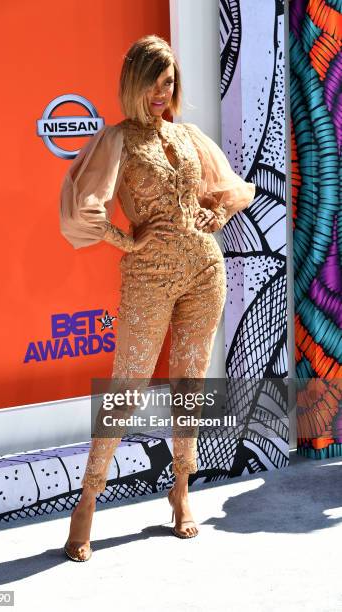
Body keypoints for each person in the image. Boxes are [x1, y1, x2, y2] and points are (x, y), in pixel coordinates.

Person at [59, 34, 256, 562]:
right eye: (152, 82)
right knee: (127, 386)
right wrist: (127, 240)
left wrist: (219, 213)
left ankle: (181, 490)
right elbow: (83, 205)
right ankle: (87, 503)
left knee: (189, 386)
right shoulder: (116, 140)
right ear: (133, 83)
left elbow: (233, 188)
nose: (161, 93)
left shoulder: (188, 134)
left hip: (204, 273)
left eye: (168, 83)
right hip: (148, 280)